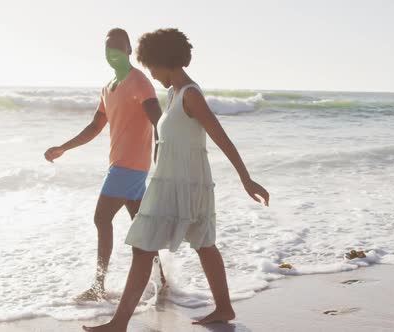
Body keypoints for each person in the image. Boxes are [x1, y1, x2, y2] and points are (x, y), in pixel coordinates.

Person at [83, 28, 270, 332]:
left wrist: (246, 179)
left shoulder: (190, 95)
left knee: (148, 246)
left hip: (184, 185)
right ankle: (224, 307)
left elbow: (220, 137)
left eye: (152, 67)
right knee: (202, 245)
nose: (152, 75)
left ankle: (119, 324)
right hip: (174, 183)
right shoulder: (172, 94)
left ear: (163, 60)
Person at [44, 28, 164, 301]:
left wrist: (162, 149)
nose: (112, 52)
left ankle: (98, 286)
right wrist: (64, 147)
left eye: (118, 47)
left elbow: (159, 119)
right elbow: (95, 126)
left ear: (129, 51)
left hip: (130, 166)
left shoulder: (139, 81)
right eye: (108, 48)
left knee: (101, 218)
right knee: (141, 226)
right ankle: (162, 282)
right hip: (121, 165)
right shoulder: (108, 88)